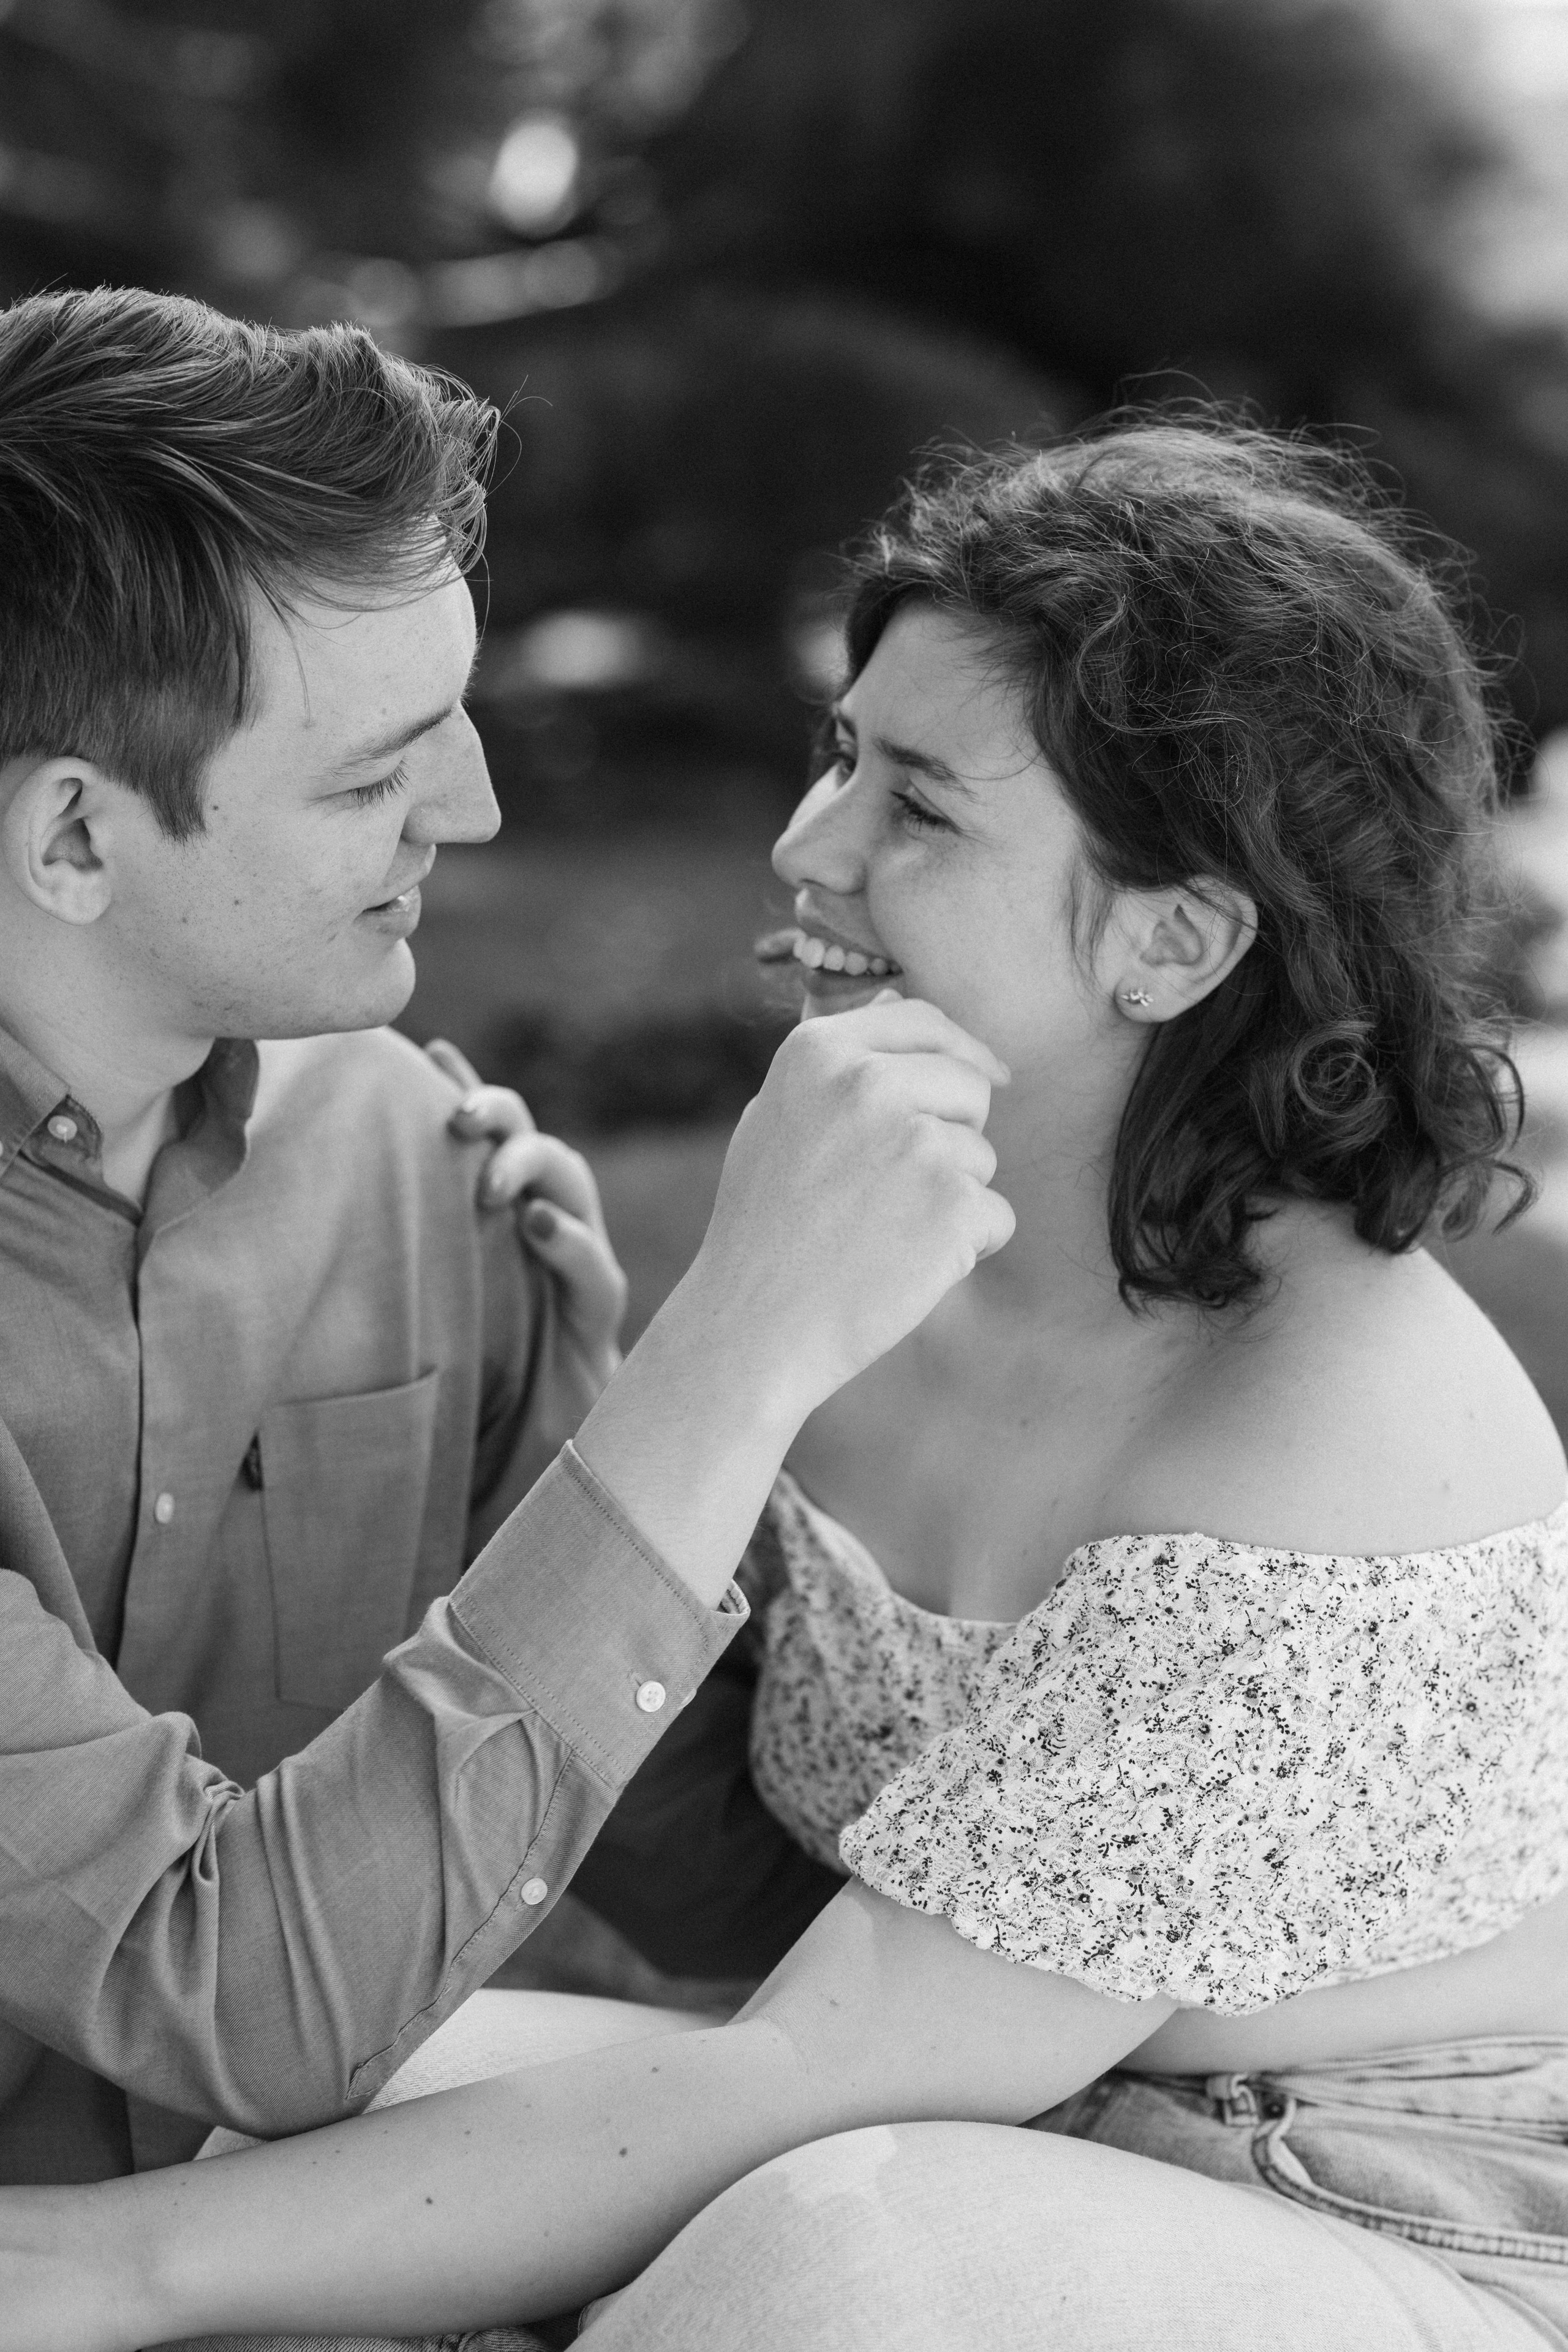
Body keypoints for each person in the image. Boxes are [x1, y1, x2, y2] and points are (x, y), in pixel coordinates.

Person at [9, 414, 1568, 2352]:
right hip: (946, 2121)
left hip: (1353, 2201)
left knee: (832, 2275)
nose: (805, 847)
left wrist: (81, 2270)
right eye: (843, 753)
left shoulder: (1340, 1429)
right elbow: (697, 1846)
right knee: (273, 2137)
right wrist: (601, 1378)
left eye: (918, 806)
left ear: (1174, 938)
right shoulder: (878, 1245)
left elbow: (815, 2076)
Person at [0, 287, 1012, 2188]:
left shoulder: (417, 1166)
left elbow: (710, 1876)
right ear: (74, 842)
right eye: (377, 774)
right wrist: (726, 1367)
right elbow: (218, 1988)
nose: (468, 811)